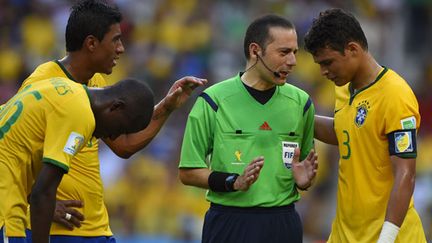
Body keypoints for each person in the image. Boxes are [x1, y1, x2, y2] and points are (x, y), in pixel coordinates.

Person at [17, 0, 207, 242]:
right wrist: (37, 199)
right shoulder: (42, 84)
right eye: (115, 40)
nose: (121, 49)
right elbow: (10, 147)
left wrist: (166, 108)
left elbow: (123, 145)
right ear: (91, 43)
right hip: (56, 231)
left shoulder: (95, 83)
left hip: (96, 229)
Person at [178, 14, 318, 243]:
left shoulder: (301, 103)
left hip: (283, 223)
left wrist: (304, 181)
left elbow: (302, 167)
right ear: (256, 51)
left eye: (295, 52)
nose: (292, 61)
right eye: (284, 52)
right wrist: (233, 182)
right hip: (229, 222)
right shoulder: (213, 101)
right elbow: (188, 172)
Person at [304, 8, 427, 243]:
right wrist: (295, 119)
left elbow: (406, 173)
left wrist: (387, 238)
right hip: (345, 233)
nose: (323, 72)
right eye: (319, 64)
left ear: (352, 49)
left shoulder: (395, 95)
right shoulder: (343, 88)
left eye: (328, 62)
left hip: (387, 236)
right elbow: (345, 131)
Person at [0, 77, 154, 243]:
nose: (113, 136)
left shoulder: (62, 87)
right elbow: (43, 194)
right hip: (6, 209)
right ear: (116, 107)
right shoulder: (81, 115)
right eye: (119, 129)